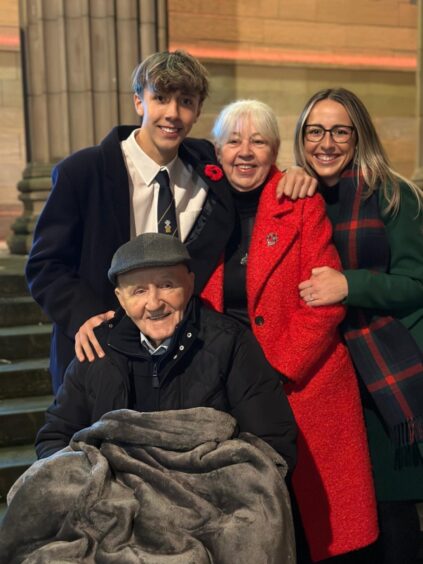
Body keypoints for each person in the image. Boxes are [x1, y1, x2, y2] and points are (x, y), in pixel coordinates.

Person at [25, 49, 313, 393]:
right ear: (138, 102)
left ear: (198, 110)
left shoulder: (207, 166)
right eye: (160, 98)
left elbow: (250, 167)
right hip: (101, 349)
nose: (173, 114)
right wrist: (82, 314)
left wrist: (294, 174)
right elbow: (44, 265)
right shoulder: (82, 172)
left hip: (181, 356)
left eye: (185, 101)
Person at [199, 99, 378, 563]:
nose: (245, 151)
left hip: (299, 379)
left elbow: (322, 304)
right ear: (215, 151)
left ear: (276, 151)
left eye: (258, 141)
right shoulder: (198, 206)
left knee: (309, 526)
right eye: (233, 141)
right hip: (221, 383)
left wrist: (272, 373)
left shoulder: (298, 200)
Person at [35, 232, 297, 475]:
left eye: (167, 285)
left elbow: (272, 444)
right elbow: (56, 437)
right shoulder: (98, 349)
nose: (154, 303)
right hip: (114, 508)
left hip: (210, 509)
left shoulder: (230, 342)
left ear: (190, 284)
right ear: (120, 298)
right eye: (138, 291)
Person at [293, 88, 423, 564]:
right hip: (324, 377)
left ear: (358, 135)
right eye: (315, 131)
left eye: (339, 130)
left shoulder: (393, 194)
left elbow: (415, 282)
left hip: (385, 372)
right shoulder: (297, 196)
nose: (326, 142)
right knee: (334, 513)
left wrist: (349, 285)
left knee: (392, 517)